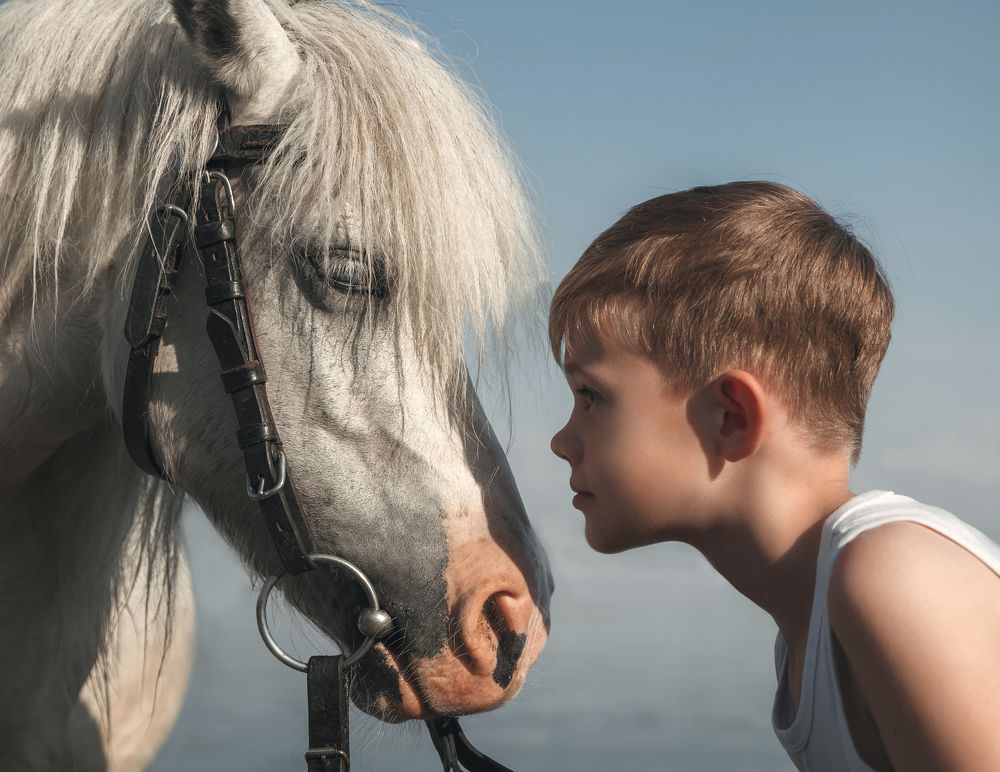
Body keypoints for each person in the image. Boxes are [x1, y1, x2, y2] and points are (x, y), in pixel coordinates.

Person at [548, 181, 1000, 771]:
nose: (561, 442)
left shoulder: (894, 576)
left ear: (731, 418)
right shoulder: (806, 634)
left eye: (591, 396)